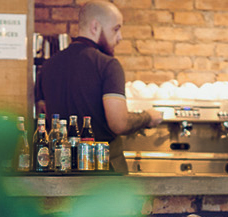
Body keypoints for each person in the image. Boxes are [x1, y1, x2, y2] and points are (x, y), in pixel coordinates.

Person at [35, 1, 161, 171]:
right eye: (116, 29)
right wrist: (148, 117)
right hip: (102, 171)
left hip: (62, 169)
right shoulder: (108, 65)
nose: (120, 37)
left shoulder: (48, 66)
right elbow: (119, 123)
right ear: (95, 27)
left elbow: (44, 117)